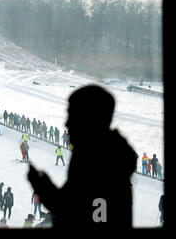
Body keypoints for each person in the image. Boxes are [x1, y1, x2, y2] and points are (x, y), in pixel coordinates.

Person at [28, 85, 136, 228]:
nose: (66, 123)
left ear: (89, 121)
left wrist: (43, 186)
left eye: (72, 115)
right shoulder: (100, 158)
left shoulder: (98, 167)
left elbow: (75, 214)